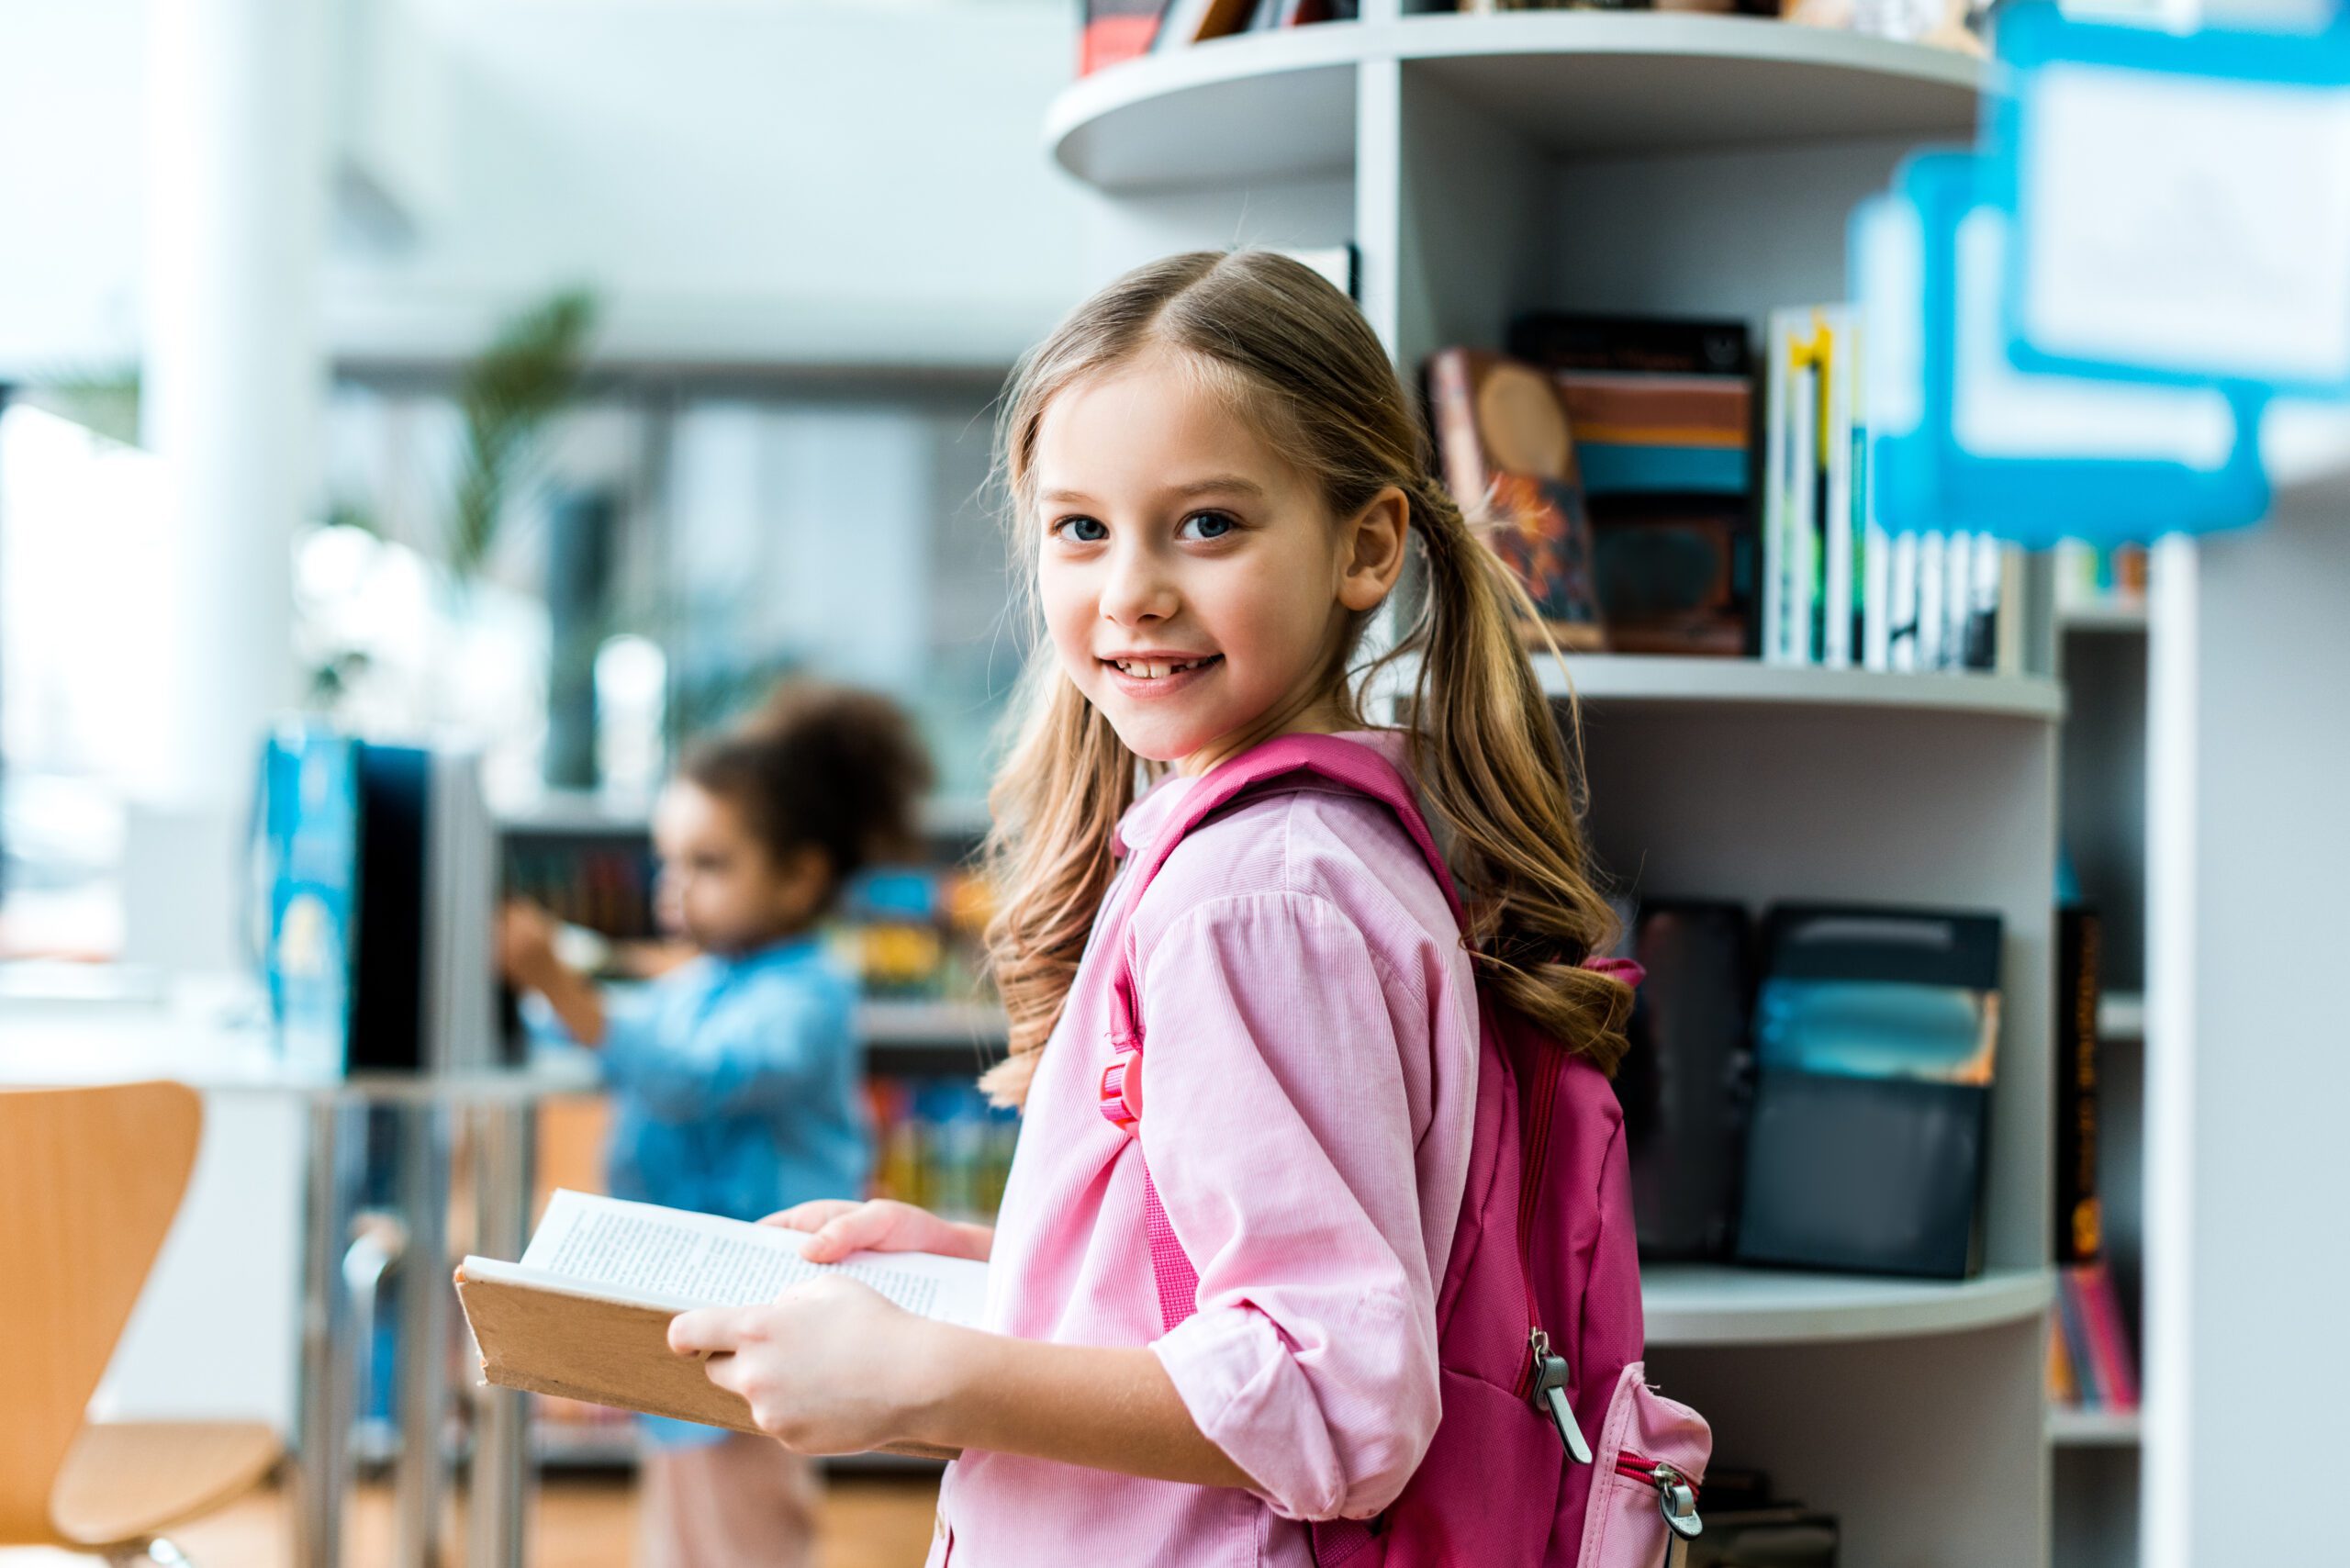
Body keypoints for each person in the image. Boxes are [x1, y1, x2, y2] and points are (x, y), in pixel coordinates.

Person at [662, 251, 1637, 1566]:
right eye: (1081, 529)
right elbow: (1226, 1281)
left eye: (1209, 524)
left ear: (1366, 547)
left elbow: (1334, 1395)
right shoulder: (1316, 848)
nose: (1132, 591)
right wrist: (984, 1275)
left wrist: (923, 1378)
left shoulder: (1254, 900)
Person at [499, 681, 932, 1568]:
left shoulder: (807, 994)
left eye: (710, 864)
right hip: (688, 1300)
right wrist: (538, 990)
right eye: (669, 864)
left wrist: (562, 986)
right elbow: (627, 1030)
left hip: (762, 1306)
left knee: (742, 1530)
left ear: (802, 875)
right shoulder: (699, 979)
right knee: (686, 1526)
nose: (675, 891)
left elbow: (693, 1075)